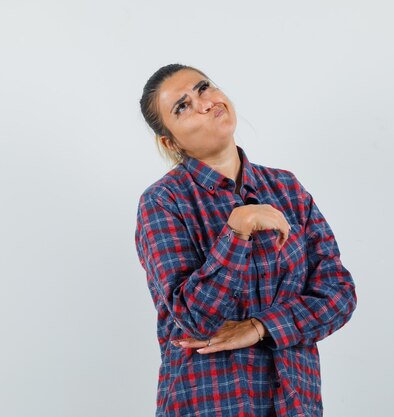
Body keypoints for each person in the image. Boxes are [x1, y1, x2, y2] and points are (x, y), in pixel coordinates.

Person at [134, 63, 357, 417]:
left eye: (204, 88)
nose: (205, 103)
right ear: (170, 141)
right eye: (183, 106)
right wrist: (236, 231)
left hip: (295, 402)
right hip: (210, 403)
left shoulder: (286, 188)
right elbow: (194, 317)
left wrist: (260, 327)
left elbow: (339, 293)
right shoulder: (163, 202)